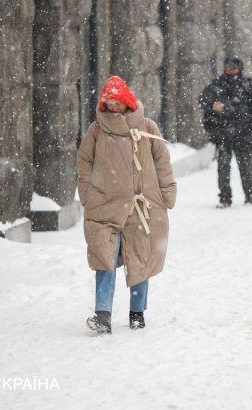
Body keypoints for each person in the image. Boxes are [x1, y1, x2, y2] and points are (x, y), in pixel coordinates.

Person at [77, 76, 177, 334]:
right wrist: (87, 193)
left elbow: (162, 162)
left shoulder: (147, 128)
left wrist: (167, 191)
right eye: (107, 102)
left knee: (140, 258)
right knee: (104, 258)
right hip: (104, 206)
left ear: (126, 102)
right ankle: (103, 315)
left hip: (141, 207)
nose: (111, 107)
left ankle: (137, 312)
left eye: (116, 102)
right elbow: (84, 162)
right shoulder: (96, 131)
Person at [198, 56, 252, 208]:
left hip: (244, 134)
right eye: (228, 67)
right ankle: (224, 197)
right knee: (223, 167)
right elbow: (202, 100)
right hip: (223, 134)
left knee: (246, 167)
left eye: (234, 67)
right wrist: (213, 106)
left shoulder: (247, 85)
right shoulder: (218, 84)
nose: (231, 70)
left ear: (240, 69)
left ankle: (249, 195)